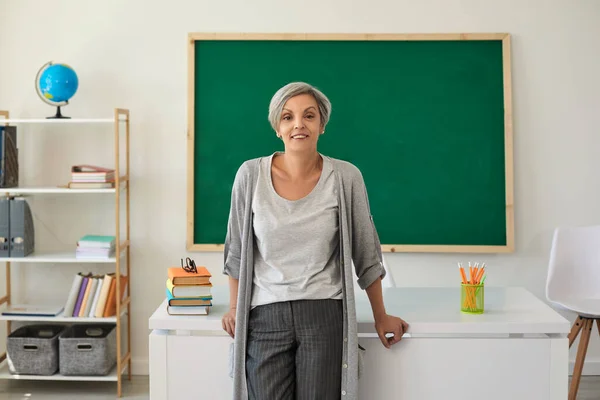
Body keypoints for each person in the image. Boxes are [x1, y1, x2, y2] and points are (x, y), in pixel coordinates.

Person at [221, 81, 409, 400]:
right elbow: (236, 250)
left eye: (309, 116)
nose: (299, 124)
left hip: (323, 313)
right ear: (277, 128)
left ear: (322, 125)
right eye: (288, 117)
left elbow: (366, 253)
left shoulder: (346, 177)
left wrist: (381, 315)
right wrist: (235, 307)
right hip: (265, 314)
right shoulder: (249, 175)